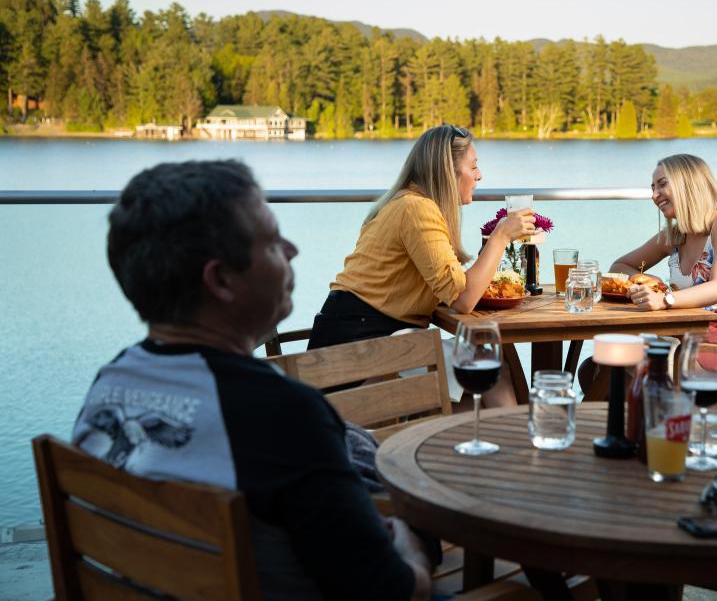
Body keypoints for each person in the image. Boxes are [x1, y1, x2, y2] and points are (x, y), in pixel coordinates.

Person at [72, 160, 432, 601]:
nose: (293, 249)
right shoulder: (281, 413)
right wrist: (413, 549)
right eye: (272, 240)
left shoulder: (108, 384)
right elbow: (391, 591)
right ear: (221, 279)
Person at [307, 124, 534, 406]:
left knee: (469, 398)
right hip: (357, 352)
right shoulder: (417, 210)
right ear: (447, 172)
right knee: (490, 371)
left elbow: (450, 287)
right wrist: (500, 237)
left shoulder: (406, 203)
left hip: (351, 339)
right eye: (473, 167)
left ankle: (501, 444)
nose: (479, 175)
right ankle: (522, 448)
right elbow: (463, 300)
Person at [609, 153, 717, 389]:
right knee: (605, 362)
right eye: (652, 188)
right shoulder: (676, 235)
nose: (654, 195)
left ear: (688, 183)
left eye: (662, 185)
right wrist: (651, 282)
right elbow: (618, 267)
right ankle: (640, 422)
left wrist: (665, 299)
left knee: (629, 365)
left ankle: (656, 420)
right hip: (690, 332)